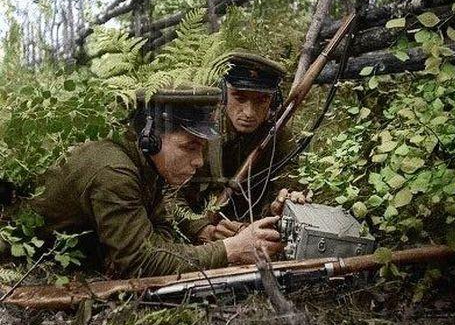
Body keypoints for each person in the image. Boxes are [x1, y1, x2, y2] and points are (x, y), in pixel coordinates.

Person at [19, 86, 282, 277]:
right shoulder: (114, 171)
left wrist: (204, 233)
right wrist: (230, 249)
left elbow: (160, 226)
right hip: (20, 259)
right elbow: (140, 262)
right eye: (189, 147)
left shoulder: (146, 161)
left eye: (202, 149)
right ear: (150, 139)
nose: (199, 162)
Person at [174, 52, 305, 243]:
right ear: (223, 94)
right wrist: (201, 229)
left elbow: (287, 191)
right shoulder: (199, 129)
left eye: (261, 100)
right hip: (195, 236)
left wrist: (279, 206)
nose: (249, 112)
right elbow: (169, 196)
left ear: (273, 101)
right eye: (240, 98)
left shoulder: (279, 137)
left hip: (255, 233)